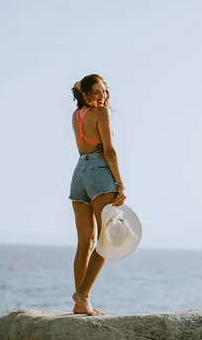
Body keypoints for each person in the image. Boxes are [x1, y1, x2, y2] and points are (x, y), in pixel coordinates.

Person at [68, 74, 126, 316]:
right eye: (96, 93)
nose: (101, 97)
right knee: (106, 241)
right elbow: (110, 151)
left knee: (85, 244)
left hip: (79, 174)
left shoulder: (76, 115)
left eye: (104, 92)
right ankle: (83, 295)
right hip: (100, 174)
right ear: (85, 94)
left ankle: (80, 302)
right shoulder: (102, 114)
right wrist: (121, 185)